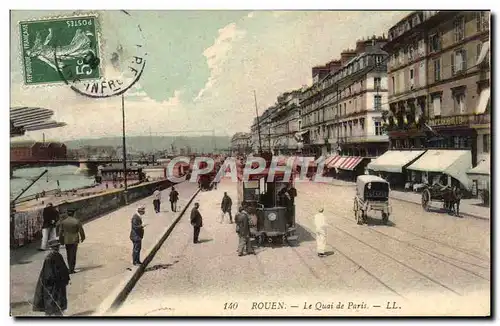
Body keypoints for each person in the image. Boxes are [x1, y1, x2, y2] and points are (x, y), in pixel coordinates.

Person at [33, 239, 70, 316]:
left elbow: (63, 269)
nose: (57, 248)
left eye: (57, 247)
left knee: (55, 300)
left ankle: (57, 314)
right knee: (52, 300)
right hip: (52, 284)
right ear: (51, 248)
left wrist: (65, 278)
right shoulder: (50, 258)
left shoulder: (56, 256)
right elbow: (48, 274)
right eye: (55, 247)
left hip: (57, 283)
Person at [58, 209, 86, 274]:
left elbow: (60, 232)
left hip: (66, 240)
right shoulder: (76, 221)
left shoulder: (63, 222)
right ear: (73, 214)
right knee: (73, 255)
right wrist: (83, 238)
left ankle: (70, 268)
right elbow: (81, 231)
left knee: (68, 254)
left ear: (67, 214)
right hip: (74, 240)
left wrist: (61, 240)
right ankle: (71, 269)